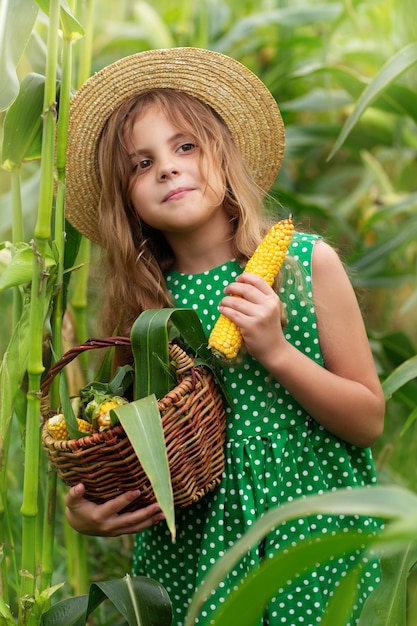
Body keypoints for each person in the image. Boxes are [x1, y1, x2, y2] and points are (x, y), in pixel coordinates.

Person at [63, 47, 385, 626]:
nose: (167, 167)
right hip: (195, 542)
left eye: (185, 146)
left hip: (308, 521)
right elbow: (129, 438)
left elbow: (368, 419)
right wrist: (88, 509)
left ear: (225, 155)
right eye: (141, 164)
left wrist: (276, 352)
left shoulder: (305, 267)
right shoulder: (144, 310)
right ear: (126, 201)